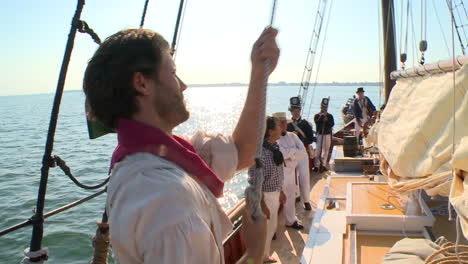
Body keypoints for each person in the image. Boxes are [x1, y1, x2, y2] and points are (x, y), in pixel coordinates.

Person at [83, 27, 279, 264]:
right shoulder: (166, 198)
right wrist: (255, 253)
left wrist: (259, 72)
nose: (183, 85)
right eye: (173, 72)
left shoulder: (164, 157)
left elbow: (242, 152)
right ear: (141, 83)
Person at [248, 116, 286, 263]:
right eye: (278, 125)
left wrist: (281, 190)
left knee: (272, 228)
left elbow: (278, 172)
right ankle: (259, 259)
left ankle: (264, 256)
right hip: (266, 196)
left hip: (275, 193)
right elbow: (254, 178)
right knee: (264, 231)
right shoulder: (261, 152)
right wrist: (262, 203)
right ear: (270, 131)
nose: (281, 127)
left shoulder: (275, 147)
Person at [273, 112, 307, 229]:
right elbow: (281, 154)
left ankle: (290, 221)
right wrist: (293, 151)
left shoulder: (293, 136)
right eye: (281, 123)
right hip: (279, 172)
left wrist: (289, 153)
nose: (284, 125)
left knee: (291, 197)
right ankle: (272, 229)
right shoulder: (274, 140)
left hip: (291, 171)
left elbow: (302, 152)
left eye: (284, 122)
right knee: (274, 200)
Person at [287, 96, 313, 211]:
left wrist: (300, 140)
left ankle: (306, 201)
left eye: (297, 111)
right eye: (294, 111)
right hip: (291, 155)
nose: (296, 113)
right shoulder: (287, 125)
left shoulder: (305, 124)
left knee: (304, 177)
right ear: (291, 111)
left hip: (302, 154)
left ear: (300, 111)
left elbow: (311, 139)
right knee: (291, 179)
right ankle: (294, 198)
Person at [313, 98, 335, 173]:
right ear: (320, 107)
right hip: (319, 135)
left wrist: (327, 120)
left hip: (327, 134)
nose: (324, 108)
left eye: (325, 107)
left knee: (326, 150)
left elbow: (331, 124)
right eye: (323, 107)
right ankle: (316, 165)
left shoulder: (330, 116)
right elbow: (317, 122)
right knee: (318, 150)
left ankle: (324, 164)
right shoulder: (317, 116)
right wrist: (322, 117)